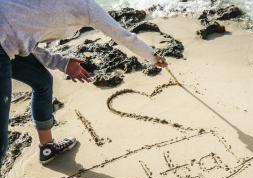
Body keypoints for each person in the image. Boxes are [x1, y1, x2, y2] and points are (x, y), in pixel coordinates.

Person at [0, 0, 168, 165]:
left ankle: (47, 148)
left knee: (43, 82)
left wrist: (62, 63)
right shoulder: (87, 7)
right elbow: (122, 35)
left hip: (7, 42)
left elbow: (23, 38)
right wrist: (153, 57)